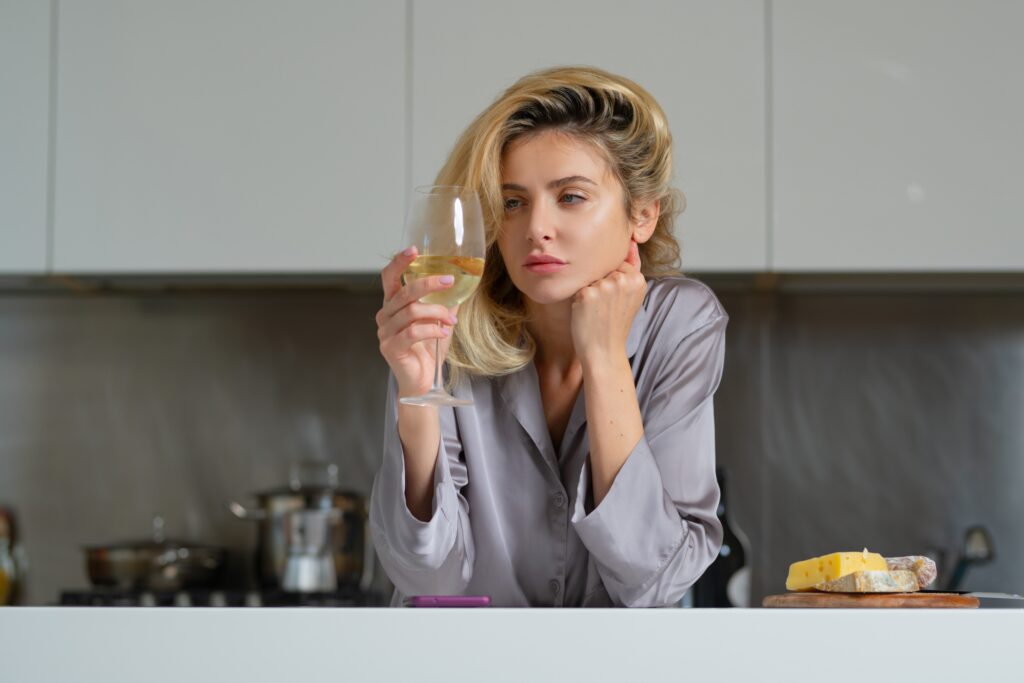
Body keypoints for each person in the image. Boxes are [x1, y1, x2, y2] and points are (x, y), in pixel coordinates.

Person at [371, 66, 727, 607]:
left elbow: (655, 581)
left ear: (643, 215)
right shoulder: (446, 323)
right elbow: (427, 584)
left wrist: (606, 357)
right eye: (513, 202)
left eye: (571, 197)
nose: (537, 226)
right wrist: (416, 395)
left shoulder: (682, 324)